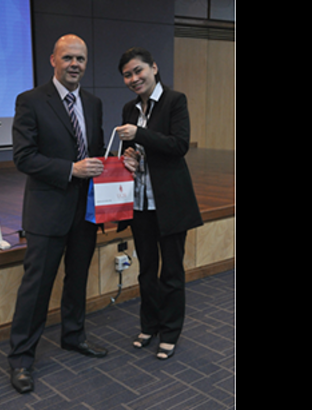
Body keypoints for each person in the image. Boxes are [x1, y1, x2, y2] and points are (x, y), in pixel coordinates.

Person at [7, 34, 108, 394]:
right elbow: (24, 157)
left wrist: (116, 164)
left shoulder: (93, 102)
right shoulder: (31, 101)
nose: (75, 64)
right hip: (48, 212)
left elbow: (94, 152)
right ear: (53, 60)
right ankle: (21, 359)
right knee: (36, 290)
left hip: (85, 212)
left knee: (77, 279)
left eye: (80, 58)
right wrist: (71, 169)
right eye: (68, 58)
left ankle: (73, 336)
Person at [115, 47, 203, 360]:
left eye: (139, 71)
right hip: (139, 203)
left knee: (172, 271)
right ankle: (148, 325)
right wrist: (131, 156)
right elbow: (132, 150)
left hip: (170, 203)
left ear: (154, 67)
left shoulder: (175, 101)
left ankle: (170, 331)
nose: (134, 78)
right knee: (146, 270)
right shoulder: (129, 108)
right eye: (127, 74)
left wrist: (140, 133)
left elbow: (178, 145)